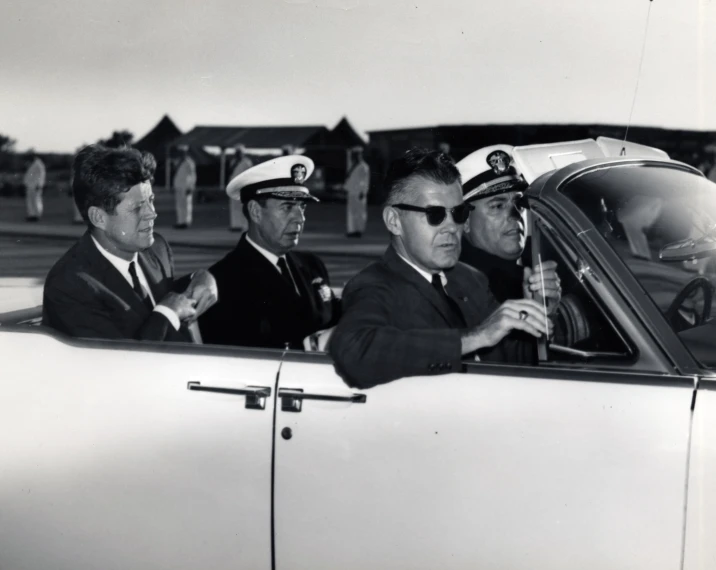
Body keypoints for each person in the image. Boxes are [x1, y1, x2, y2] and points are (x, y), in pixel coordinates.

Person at [329, 147, 552, 389]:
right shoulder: (374, 285)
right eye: (434, 214)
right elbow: (354, 353)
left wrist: (538, 311)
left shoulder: (470, 280)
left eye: (458, 213)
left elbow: (509, 364)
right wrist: (476, 337)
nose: (451, 227)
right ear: (394, 221)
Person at [43, 144, 218, 342]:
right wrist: (167, 314)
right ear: (99, 217)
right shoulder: (70, 285)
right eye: (137, 208)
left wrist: (202, 277)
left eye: (151, 200)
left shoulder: (157, 249)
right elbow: (120, 366)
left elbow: (162, 292)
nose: (152, 213)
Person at [198, 154, 340, 349]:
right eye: (287, 207)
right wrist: (313, 345)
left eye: (302, 207)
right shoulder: (223, 282)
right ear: (256, 211)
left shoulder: (313, 266)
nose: (300, 218)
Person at [457, 144, 561, 307]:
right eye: (497, 206)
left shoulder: (537, 265)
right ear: (465, 222)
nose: (515, 215)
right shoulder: (461, 287)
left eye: (519, 203)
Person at [345, 146, 370, 237]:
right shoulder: (352, 166)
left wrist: (363, 192)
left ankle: (359, 230)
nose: (355, 157)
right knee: (351, 212)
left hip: (359, 193)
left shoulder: (364, 166)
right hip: (352, 192)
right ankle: (352, 230)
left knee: (360, 212)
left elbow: (365, 181)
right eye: (354, 155)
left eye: (356, 155)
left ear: (360, 155)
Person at [228, 145, 253, 232]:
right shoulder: (233, 162)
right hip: (234, 186)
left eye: (239, 152)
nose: (237, 154)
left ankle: (244, 226)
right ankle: (235, 225)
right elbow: (230, 172)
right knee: (234, 206)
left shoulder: (247, 162)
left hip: (243, 186)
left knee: (242, 206)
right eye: (236, 152)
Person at [173, 145, 196, 229]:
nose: (181, 154)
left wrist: (191, 187)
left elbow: (193, 175)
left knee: (186, 205)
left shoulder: (189, 162)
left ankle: (186, 222)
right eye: (180, 152)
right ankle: (180, 221)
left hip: (186, 186)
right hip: (178, 185)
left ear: (186, 152)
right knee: (179, 205)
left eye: (182, 152)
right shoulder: (178, 161)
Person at [23, 152, 46, 222]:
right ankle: (31, 215)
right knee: (30, 201)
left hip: (35, 185)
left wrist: (39, 184)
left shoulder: (39, 164)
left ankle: (37, 215)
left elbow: (41, 175)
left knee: (36, 200)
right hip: (30, 185)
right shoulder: (32, 164)